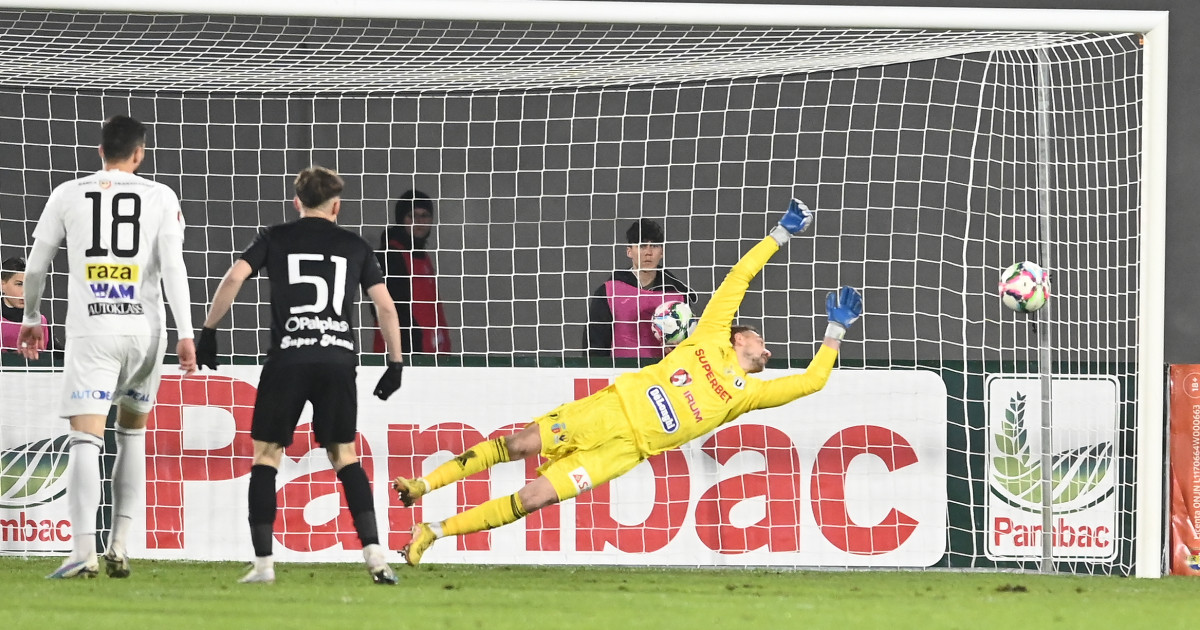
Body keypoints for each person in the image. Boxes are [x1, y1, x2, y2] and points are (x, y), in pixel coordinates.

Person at [392, 199, 864, 567]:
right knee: (518, 444)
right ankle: (422, 484)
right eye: (761, 340)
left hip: (621, 453)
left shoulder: (752, 394)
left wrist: (834, 332)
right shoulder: (708, 336)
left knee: (533, 498)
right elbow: (740, 276)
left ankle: (433, 530)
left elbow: (811, 383)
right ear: (740, 337)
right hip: (607, 411)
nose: (768, 349)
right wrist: (780, 234)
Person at [195, 166, 407, 585]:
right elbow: (384, 306)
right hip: (337, 360)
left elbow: (235, 276)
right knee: (345, 455)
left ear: (297, 202)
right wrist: (395, 362)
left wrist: (209, 330)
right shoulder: (356, 245)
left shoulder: (274, 237)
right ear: (337, 205)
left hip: (288, 358)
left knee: (266, 455)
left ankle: (263, 566)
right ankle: (375, 557)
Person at [17, 114, 197, 579]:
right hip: (146, 332)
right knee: (131, 435)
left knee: (85, 440)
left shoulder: (68, 193)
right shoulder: (161, 196)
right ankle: (120, 544)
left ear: (100, 150)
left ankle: (82, 552)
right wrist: (186, 332)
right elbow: (174, 268)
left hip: (93, 331)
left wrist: (32, 317)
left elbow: (35, 268)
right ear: (139, 154)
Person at [585, 217, 696, 359]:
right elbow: (595, 348)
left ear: (661, 252)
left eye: (654, 246)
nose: (648, 252)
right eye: (642, 246)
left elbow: (692, 347)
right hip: (621, 376)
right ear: (629, 251)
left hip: (664, 377)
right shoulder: (609, 292)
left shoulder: (678, 295)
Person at [373, 189, 451, 356]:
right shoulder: (390, 255)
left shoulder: (421, 255)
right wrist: (412, 353)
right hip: (405, 356)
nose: (419, 221)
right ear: (402, 219)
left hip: (431, 354)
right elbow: (390, 310)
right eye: (412, 215)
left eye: (425, 215)